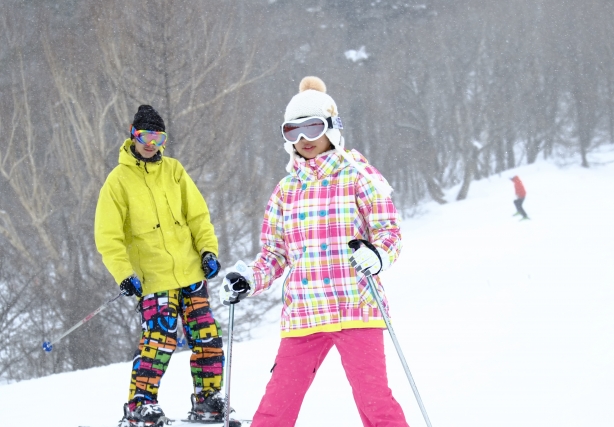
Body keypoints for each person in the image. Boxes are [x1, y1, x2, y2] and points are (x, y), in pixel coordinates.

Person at [219, 77, 409, 426]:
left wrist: (378, 255)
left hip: (356, 305)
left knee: (375, 402)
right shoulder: (287, 189)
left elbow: (389, 232)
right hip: (305, 312)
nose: (303, 140)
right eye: (293, 132)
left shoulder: (357, 175)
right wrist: (249, 277)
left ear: (333, 128)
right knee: (276, 405)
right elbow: (275, 254)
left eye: (312, 128)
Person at [95, 105, 240, 427]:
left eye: (158, 137)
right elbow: (108, 237)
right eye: (146, 135)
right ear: (133, 134)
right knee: (159, 340)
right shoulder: (118, 181)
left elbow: (198, 216)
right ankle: (140, 405)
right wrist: (124, 274)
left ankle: (208, 399)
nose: (151, 143)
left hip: (190, 272)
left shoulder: (174, 171)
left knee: (207, 337)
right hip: (153, 278)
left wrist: (207, 251)